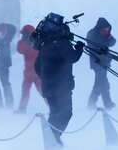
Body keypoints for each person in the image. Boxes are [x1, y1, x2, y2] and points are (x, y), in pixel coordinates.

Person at [32, 13, 84, 146]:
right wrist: (79, 48)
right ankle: (53, 138)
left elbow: (37, 66)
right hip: (62, 87)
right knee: (66, 113)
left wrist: (46, 78)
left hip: (49, 87)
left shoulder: (45, 44)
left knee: (55, 113)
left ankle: (51, 139)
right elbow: (72, 58)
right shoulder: (62, 42)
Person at [86, 17, 117, 110]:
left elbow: (113, 42)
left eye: (108, 29)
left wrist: (108, 36)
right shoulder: (92, 33)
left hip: (104, 62)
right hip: (97, 62)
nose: (107, 30)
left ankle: (91, 102)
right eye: (105, 28)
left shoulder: (104, 34)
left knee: (99, 83)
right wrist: (102, 36)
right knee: (104, 83)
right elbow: (93, 45)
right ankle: (107, 104)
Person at [15, 24, 42, 114]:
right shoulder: (39, 41)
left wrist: (25, 41)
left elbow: (20, 50)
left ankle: (22, 109)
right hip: (38, 72)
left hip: (31, 72)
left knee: (26, 90)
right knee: (42, 91)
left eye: (23, 34)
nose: (22, 35)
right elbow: (20, 50)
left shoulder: (24, 42)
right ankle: (52, 107)